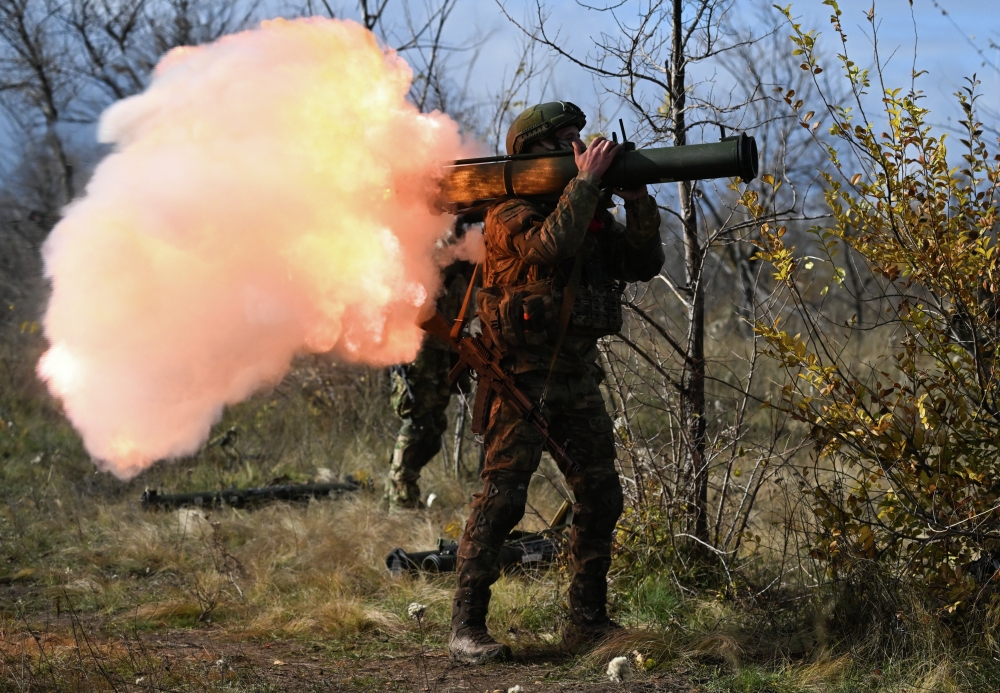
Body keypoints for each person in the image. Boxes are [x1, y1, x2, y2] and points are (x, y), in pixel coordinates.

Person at [448, 102, 665, 663]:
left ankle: (588, 622)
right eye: (564, 141)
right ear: (531, 152)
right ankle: (466, 627)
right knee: (503, 500)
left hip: (573, 378)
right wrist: (587, 185)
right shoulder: (509, 214)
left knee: (601, 493)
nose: (579, 147)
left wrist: (638, 201)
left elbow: (641, 262)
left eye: (580, 138)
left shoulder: (585, 211)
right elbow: (548, 246)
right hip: (517, 381)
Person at [386, 221, 478, 510]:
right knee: (418, 424)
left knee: (435, 425)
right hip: (421, 347)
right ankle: (400, 499)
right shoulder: (433, 235)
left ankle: (399, 491)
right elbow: (440, 257)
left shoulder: (467, 242)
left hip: (445, 346)